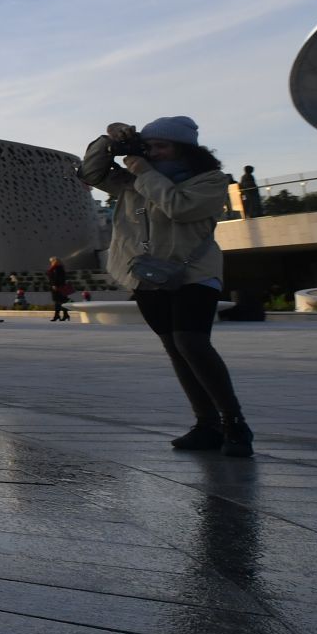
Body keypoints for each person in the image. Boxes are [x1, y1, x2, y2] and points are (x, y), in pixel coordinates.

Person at [82, 117, 252, 457]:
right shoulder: (132, 180)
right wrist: (109, 139)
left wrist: (143, 169)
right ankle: (206, 425)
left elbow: (179, 207)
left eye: (163, 146)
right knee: (175, 347)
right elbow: (91, 173)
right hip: (147, 274)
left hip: (195, 273)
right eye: (150, 146)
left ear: (184, 149)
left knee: (192, 342)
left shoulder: (209, 180)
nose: (154, 152)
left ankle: (234, 423)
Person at [46, 256, 71, 321]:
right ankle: (64, 315)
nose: (51, 262)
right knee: (61, 302)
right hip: (57, 287)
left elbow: (57, 278)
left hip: (58, 287)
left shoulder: (58, 268)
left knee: (59, 302)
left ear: (55, 261)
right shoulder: (56, 268)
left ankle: (58, 315)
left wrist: (54, 285)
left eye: (52, 261)